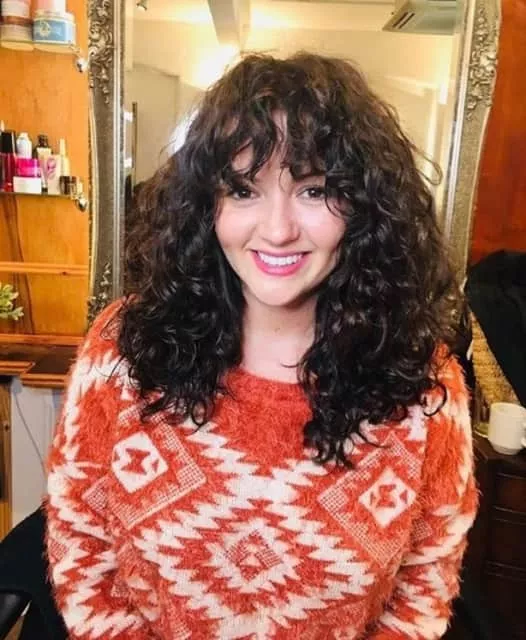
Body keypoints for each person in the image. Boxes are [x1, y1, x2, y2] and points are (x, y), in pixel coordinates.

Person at [45, 53, 478, 639]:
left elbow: (424, 587)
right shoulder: (123, 351)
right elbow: (82, 550)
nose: (277, 231)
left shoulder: (423, 387)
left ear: (365, 207)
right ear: (207, 206)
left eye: (314, 190)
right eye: (244, 190)